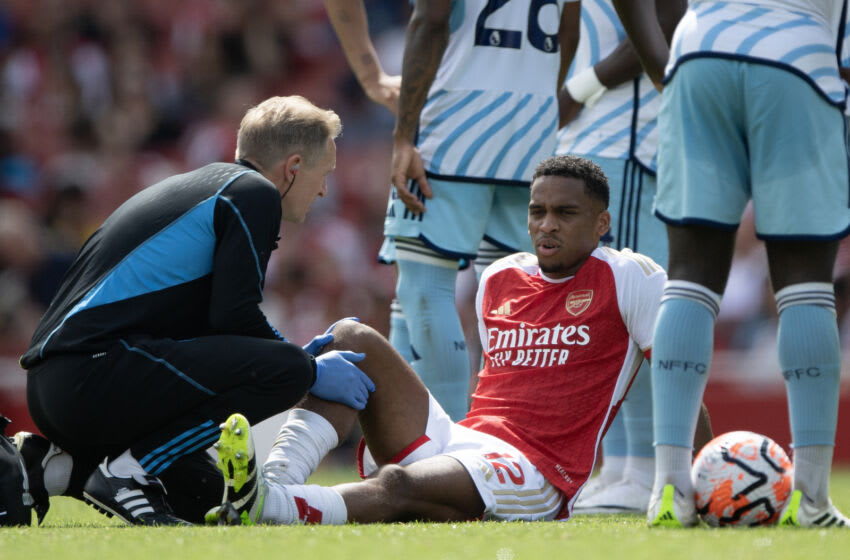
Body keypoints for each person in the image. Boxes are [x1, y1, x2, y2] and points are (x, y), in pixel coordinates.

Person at [206, 155, 668, 526]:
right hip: (462, 438)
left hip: (535, 469)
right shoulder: (502, 277)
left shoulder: (629, 275)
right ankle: (271, 481)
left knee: (399, 486)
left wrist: (682, 478)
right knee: (349, 339)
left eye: (566, 213)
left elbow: (674, 377)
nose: (547, 224)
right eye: (538, 211)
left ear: (601, 222)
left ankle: (272, 507)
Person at [14, 95, 376, 526]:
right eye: (323, 174)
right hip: (90, 375)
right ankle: (130, 471)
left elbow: (207, 327)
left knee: (205, 496)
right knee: (288, 372)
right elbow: (234, 316)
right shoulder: (254, 192)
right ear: (293, 166)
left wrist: (295, 355)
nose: (323, 190)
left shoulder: (200, 185)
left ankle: (56, 468)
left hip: (58, 386)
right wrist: (306, 365)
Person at [612, 0, 850, 527]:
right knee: (806, 286)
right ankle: (811, 497)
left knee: (690, 278)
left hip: (701, 50)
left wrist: (667, 65)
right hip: (799, 56)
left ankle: (669, 487)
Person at [556, 0, 714, 515]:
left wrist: (575, 90)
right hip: (602, 140)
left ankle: (644, 466)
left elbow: (663, 24)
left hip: (631, 143)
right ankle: (621, 463)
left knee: (635, 307)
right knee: (607, 316)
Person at [385, 0, 574, 421]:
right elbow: (570, 29)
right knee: (510, 298)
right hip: (532, 131)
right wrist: (540, 109)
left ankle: (444, 455)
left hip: (454, 126)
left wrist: (403, 136)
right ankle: (501, 443)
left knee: (424, 286)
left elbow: (431, 17)